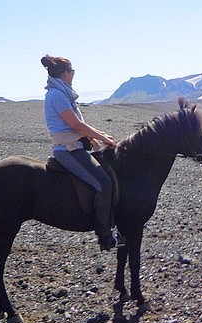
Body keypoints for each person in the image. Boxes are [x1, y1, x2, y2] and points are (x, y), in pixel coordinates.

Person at [41, 55, 122, 250]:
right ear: (65, 74)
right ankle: (105, 235)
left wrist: (102, 135)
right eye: (72, 72)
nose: (73, 75)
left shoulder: (63, 93)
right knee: (103, 183)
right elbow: (76, 125)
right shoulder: (58, 95)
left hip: (75, 147)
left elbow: (81, 126)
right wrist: (103, 139)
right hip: (68, 151)